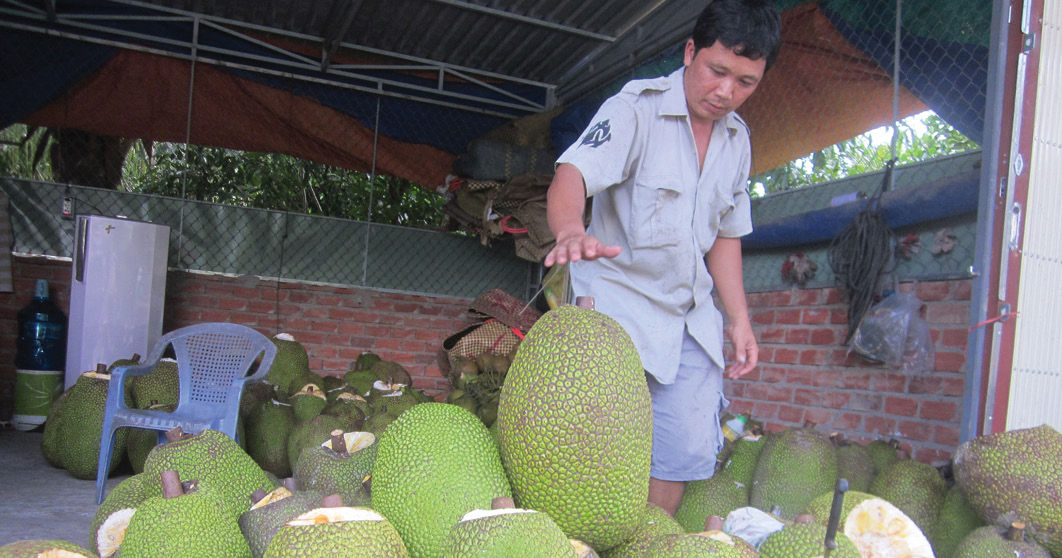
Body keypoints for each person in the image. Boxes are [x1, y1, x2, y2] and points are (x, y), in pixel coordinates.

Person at [543, 0, 782, 516]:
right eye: (717, 72)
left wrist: (739, 320)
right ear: (691, 52)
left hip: (688, 319)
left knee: (680, 450)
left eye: (745, 82)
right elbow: (574, 174)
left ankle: (647, 543)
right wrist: (569, 229)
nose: (726, 92)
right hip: (614, 309)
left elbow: (725, 236)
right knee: (587, 456)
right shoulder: (635, 109)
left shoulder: (738, 142)